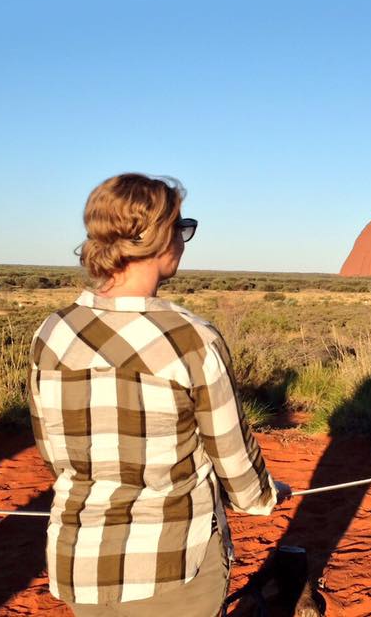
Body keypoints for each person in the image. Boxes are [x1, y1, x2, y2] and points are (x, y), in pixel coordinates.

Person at [27, 173, 291, 616]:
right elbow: (232, 454)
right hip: (171, 565)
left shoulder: (52, 332)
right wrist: (263, 496)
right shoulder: (190, 338)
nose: (183, 240)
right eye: (181, 227)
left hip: (80, 561)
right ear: (160, 237)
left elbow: (53, 450)